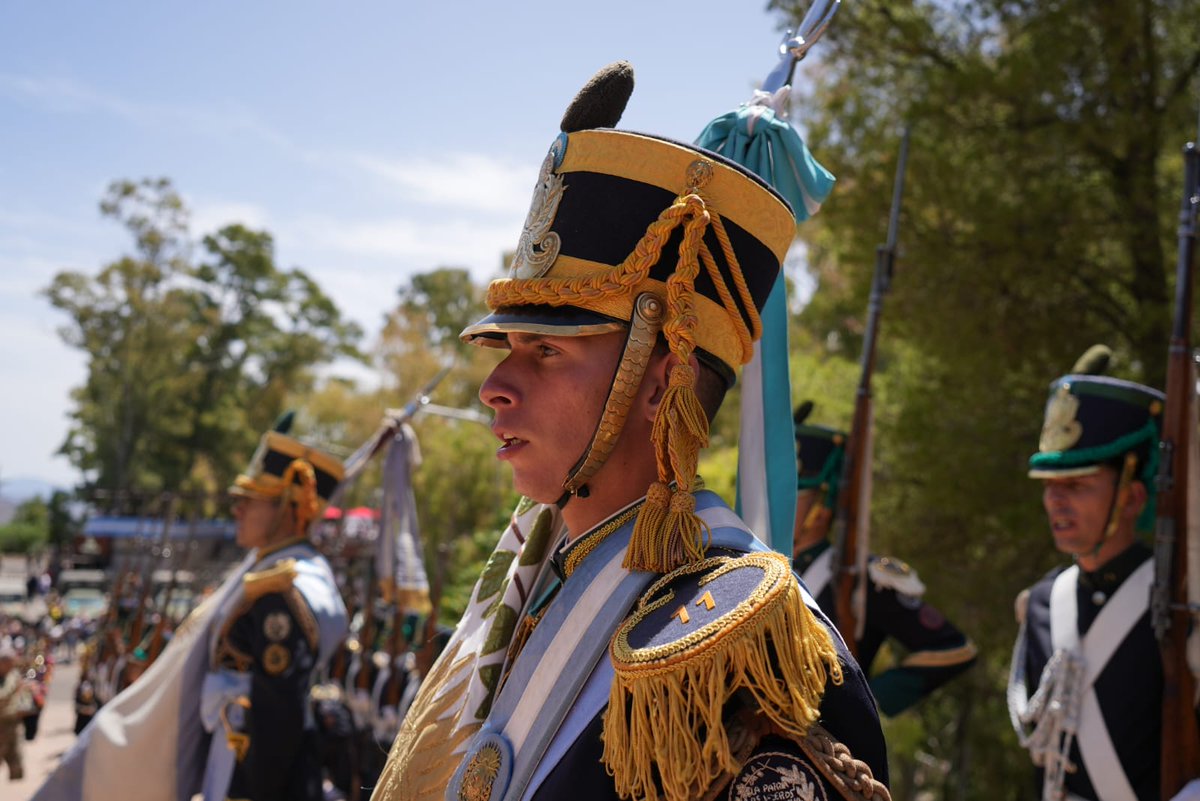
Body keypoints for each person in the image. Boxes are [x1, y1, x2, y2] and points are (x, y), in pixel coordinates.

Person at [371, 61, 888, 801]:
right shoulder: (532, 574)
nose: (494, 388)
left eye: (546, 351)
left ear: (660, 379)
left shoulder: (744, 657)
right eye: (506, 349)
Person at [32, 414, 349, 801]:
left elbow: (276, 719)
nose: (237, 509)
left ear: (286, 507)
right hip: (236, 761)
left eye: (249, 500)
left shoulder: (279, 591)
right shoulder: (270, 575)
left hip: (256, 778)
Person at [1007, 347, 1198, 801]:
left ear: (1132, 497)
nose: (1055, 501)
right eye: (1050, 486)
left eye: (1076, 484)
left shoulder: (1181, 600)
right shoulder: (1042, 601)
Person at [791, 402, 977, 716]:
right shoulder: (757, 567)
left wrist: (867, 703)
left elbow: (955, 649)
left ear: (823, 505)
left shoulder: (862, 579)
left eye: (793, 493)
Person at [0, 644, 24, 780]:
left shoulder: (14, 675)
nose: (11, 666)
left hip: (12, 722)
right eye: (7, 663)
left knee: (15, 755)